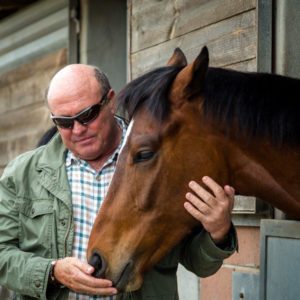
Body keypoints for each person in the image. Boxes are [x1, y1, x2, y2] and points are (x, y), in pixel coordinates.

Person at [0, 64, 238, 300]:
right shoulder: (22, 174)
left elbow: (198, 263)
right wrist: (52, 272)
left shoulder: (163, 164)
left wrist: (217, 232)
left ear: (110, 100)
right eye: (64, 122)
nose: (78, 129)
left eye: (87, 115)